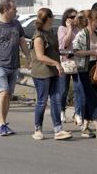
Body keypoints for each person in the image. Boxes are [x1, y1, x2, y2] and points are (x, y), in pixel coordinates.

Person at [0, 0, 31, 136]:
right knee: (3, 93)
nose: (16, 11)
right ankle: (1, 124)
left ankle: (3, 123)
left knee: (8, 95)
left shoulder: (16, 24)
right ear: (6, 10)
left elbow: (22, 41)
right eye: (14, 9)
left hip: (14, 65)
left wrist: (28, 57)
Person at [31, 8, 73, 140]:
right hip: (42, 72)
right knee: (42, 101)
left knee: (55, 99)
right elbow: (40, 56)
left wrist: (68, 53)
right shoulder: (38, 35)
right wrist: (56, 64)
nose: (54, 18)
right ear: (48, 19)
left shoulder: (50, 31)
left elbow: (56, 49)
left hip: (54, 71)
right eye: (52, 17)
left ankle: (58, 129)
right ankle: (38, 129)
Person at [72, 9, 97, 139]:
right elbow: (76, 51)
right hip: (84, 69)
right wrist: (92, 52)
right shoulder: (82, 35)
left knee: (94, 95)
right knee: (92, 97)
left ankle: (85, 127)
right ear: (90, 20)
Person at [58, 7, 83, 125]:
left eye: (76, 16)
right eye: (72, 17)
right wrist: (69, 29)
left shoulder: (79, 29)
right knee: (63, 90)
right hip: (66, 62)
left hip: (78, 62)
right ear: (67, 18)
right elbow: (65, 45)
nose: (75, 19)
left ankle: (78, 113)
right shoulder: (62, 29)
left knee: (78, 89)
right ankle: (62, 111)